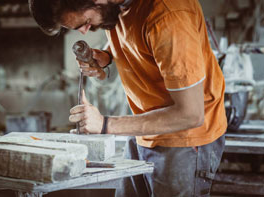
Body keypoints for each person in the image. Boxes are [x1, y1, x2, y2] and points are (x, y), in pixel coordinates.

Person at [29, 0, 227, 196]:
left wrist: (105, 124)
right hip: (144, 129)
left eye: (86, 23)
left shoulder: (169, 15)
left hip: (185, 141)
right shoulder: (115, 7)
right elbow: (137, 33)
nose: (84, 32)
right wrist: (108, 57)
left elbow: (190, 114)